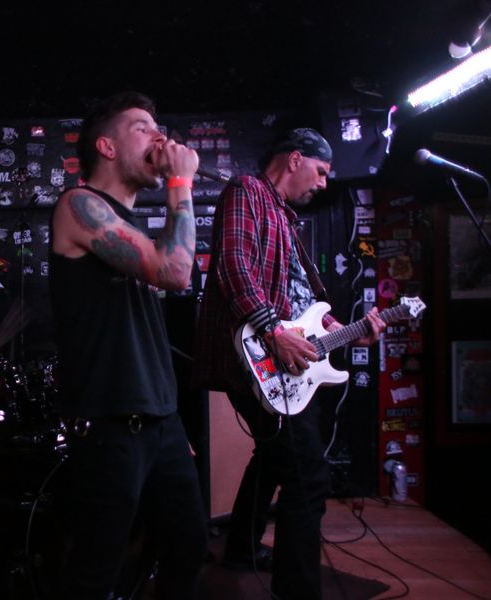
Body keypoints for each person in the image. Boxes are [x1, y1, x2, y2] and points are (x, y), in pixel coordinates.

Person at [193, 128, 386, 599]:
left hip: (282, 358)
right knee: (308, 476)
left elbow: (302, 302)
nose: (323, 183)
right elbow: (233, 265)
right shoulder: (247, 191)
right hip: (257, 357)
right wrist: (273, 331)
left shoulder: (284, 217)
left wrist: (346, 328)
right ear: (295, 159)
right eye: (320, 172)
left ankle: (241, 549)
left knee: (273, 458)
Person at [48, 91, 208, 599]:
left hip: (159, 420)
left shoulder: (132, 224)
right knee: (97, 570)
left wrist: (169, 418)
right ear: (107, 147)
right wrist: (180, 182)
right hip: (109, 423)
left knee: (187, 547)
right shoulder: (79, 206)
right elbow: (175, 272)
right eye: (142, 127)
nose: (159, 136)